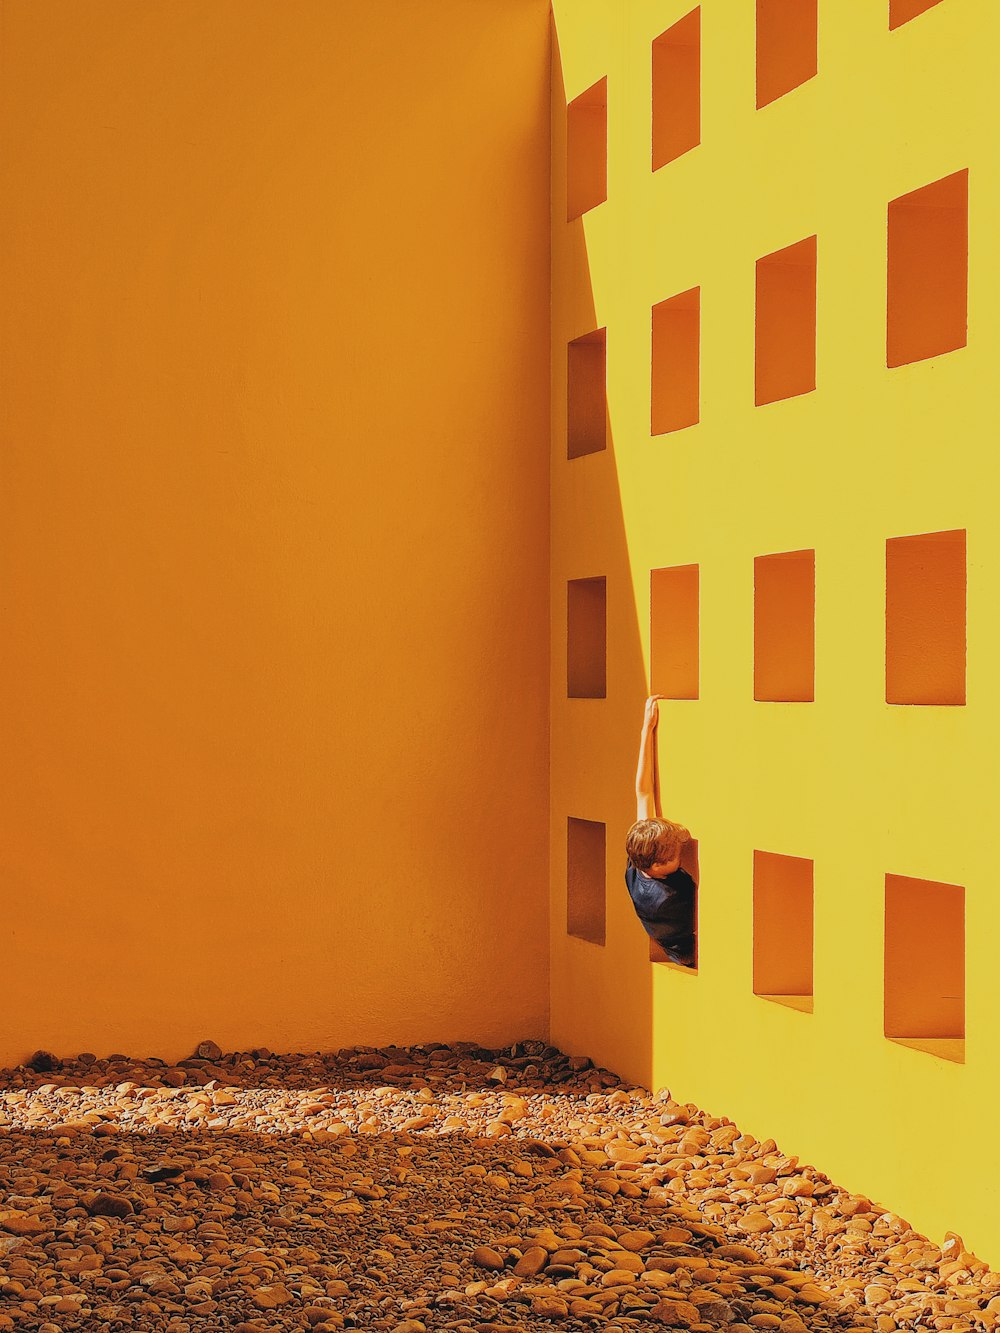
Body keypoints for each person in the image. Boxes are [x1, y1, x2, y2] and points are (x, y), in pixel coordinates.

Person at [625, 694, 697, 967]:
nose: (680, 850)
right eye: (675, 854)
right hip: (686, 954)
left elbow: (643, 791)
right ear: (658, 865)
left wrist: (647, 729)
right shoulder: (668, 900)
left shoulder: (640, 853)